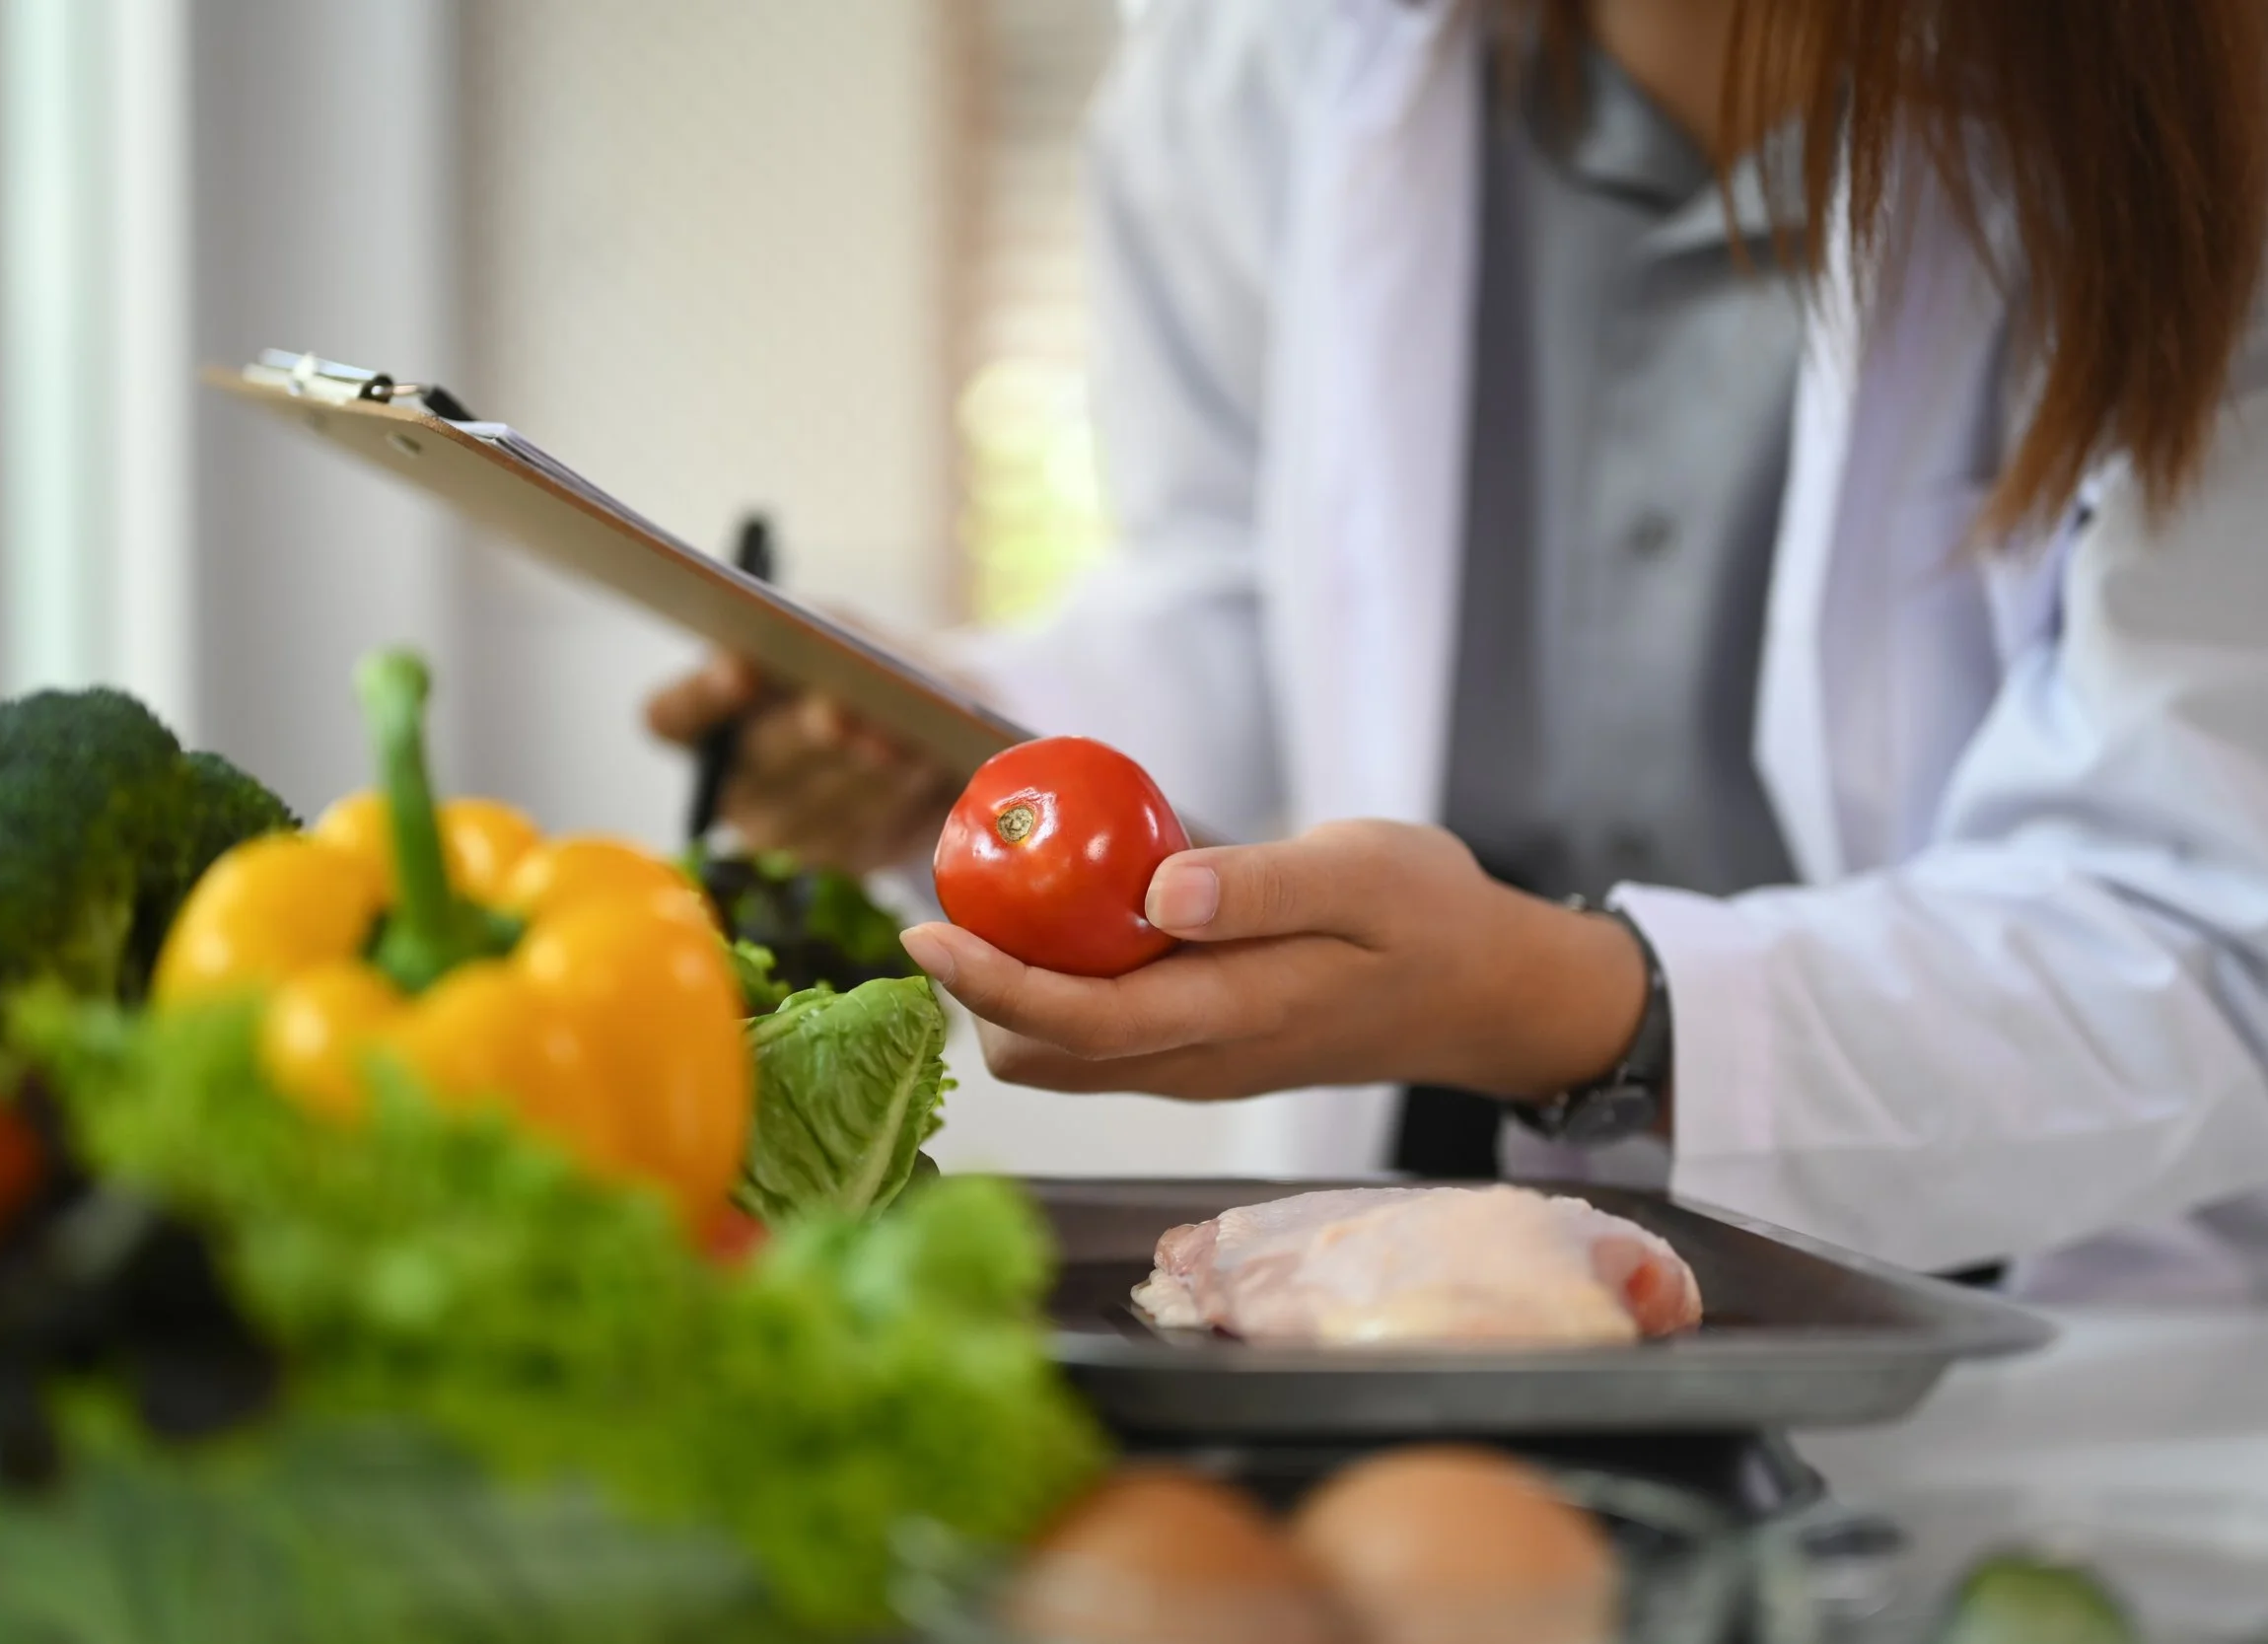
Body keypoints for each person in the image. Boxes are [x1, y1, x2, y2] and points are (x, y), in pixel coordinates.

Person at [649, 0, 2268, 1300]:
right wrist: (957, 740)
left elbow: (2208, 937)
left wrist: (1567, 1005)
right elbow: (1250, 597)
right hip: (1411, 1252)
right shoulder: (1263, 61)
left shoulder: (2197, 135)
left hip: (2017, 1282)